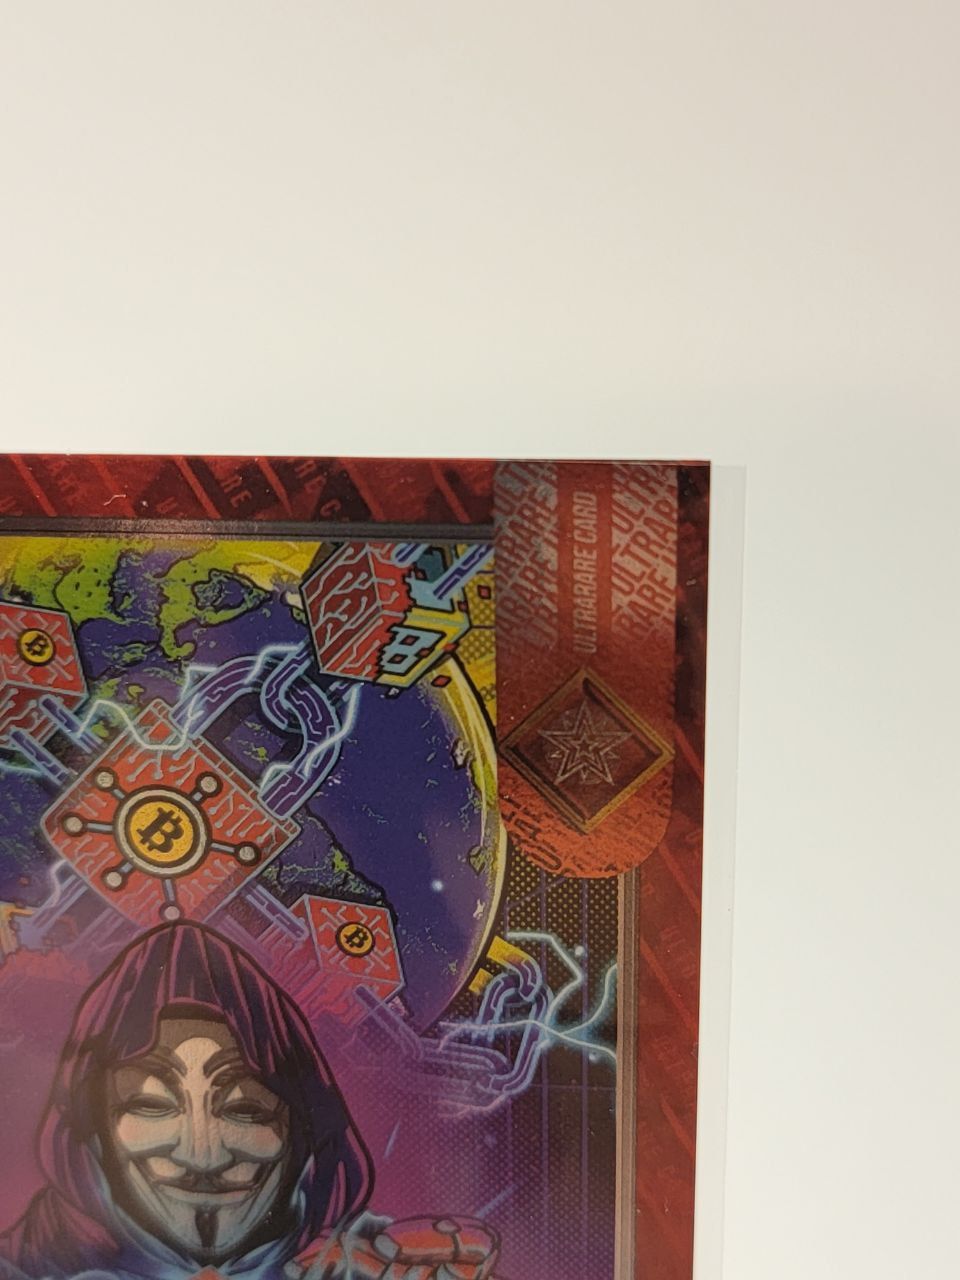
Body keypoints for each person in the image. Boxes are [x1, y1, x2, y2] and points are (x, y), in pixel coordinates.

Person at [0, 923, 500, 1280]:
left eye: (245, 1111)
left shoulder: (370, 1261)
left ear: (304, 1132)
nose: (201, 1155)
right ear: (87, 1124)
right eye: (153, 1105)